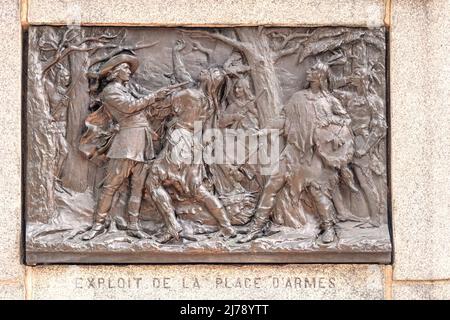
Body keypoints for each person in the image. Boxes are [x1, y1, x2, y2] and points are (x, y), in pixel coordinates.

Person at [238, 61, 355, 244]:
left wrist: (329, 120)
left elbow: (346, 120)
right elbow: (284, 120)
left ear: (321, 76)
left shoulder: (329, 101)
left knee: (319, 193)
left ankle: (329, 228)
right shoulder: (298, 97)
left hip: (315, 155)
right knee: (271, 186)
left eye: (313, 69)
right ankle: (255, 228)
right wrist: (264, 131)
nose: (308, 70)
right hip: (293, 152)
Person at [145, 40, 237, 243]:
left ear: (209, 80)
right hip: (193, 145)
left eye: (208, 72)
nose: (203, 72)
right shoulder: (208, 101)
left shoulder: (188, 94)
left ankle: (172, 226)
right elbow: (183, 77)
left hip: (180, 140)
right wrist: (176, 54)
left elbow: (167, 106)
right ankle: (227, 226)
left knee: (153, 181)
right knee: (198, 189)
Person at [80, 53, 170, 240]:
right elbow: (130, 107)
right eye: (125, 68)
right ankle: (97, 225)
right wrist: (155, 96)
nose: (129, 71)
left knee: (137, 187)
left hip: (142, 141)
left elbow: (140, 107)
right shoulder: (110, 92)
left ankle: (134, 226)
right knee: (111, 186)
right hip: (126, 143)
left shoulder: (126, 89)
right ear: (114, 72)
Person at [333, 67, 387, 227]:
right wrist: (346, 79)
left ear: (364, 79)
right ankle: (342, 213)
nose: (353, 76)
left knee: (365, 181)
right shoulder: (350, 98)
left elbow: (380, 127)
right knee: (333, 176)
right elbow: (331, 89)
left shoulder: (374, 100)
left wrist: (366, 148)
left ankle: (376, 218)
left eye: (357, 74)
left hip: (362, 141)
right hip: (346, 140)